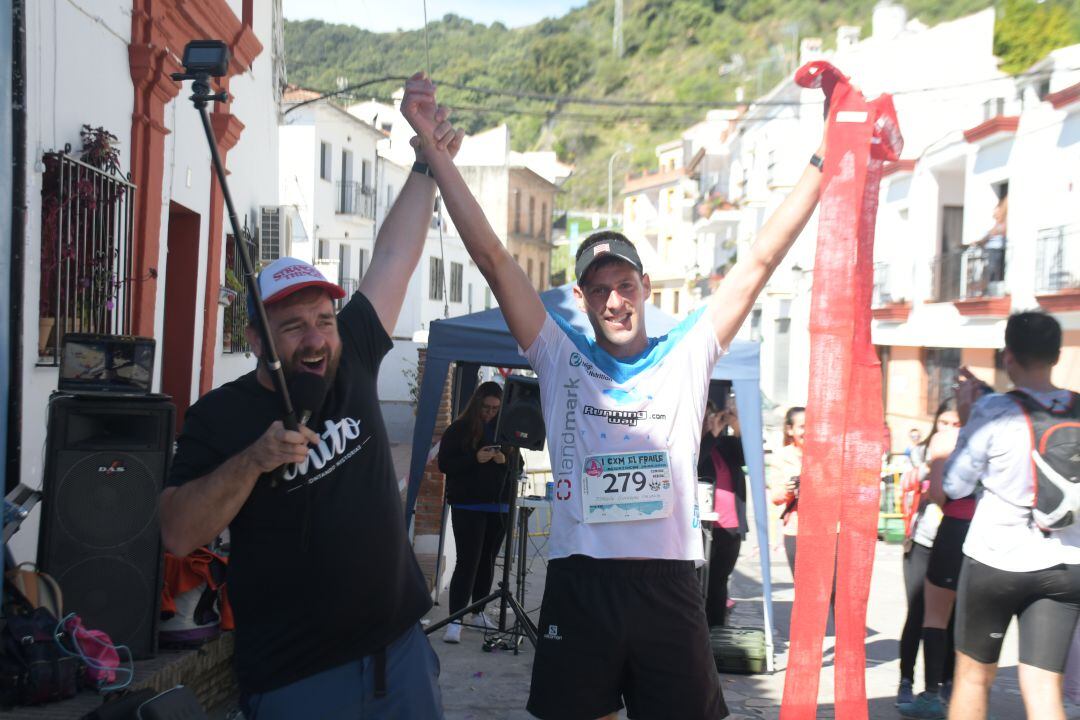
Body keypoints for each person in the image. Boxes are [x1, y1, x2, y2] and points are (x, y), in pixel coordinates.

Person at [403, 75, 828, 720]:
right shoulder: (556, 353)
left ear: (646, 286)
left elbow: (761, 261)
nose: (613, 300)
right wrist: (435, 155)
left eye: (623, 284)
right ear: (580, 298)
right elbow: (492, 256)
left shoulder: (688, 352)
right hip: (582, 585)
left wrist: (827, 156)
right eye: (597, 289)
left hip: (668, 587)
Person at [159, 75, 464, 719]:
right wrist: (254, 460)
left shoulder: (350, 352)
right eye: (292, 326)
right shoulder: (220, 416)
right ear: (253, 337)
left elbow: (392, 258)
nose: (315, 338)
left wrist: (425, 161)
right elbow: (178, 531)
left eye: (322, 319)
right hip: (297, 681)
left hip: (399, 658)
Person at [942, 312, 1080, 720]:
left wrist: (967, 420)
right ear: (1057, 355)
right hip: (1068, 561)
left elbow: (955, 486)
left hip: (997, 559)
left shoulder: (994, 411)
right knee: (1043, 686)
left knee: (972, 678)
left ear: (1008, 357)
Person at [899, 401, 968, 719]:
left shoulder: (973, 452)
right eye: (943, 422)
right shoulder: (926, 453)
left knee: (953, 620)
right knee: (918, 613)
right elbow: (907, 486)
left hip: (959, 543)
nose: (949, 430)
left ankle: (944, 688)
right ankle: (906, 680)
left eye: (956, 424)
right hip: (924, 541)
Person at [437, 381, 520, 643]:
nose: (490, 413)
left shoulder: (506, 430)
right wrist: (475, 458)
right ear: (476, 405)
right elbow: (445, 464)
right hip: (467, 505)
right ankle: (456, 619)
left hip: (499, 506)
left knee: (487, 561)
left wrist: (503, 459)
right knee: (467, 562)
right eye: (486, 407)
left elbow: (518, 467)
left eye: (496, 408)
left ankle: (478, 611)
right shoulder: (459, 429)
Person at [699, 400, 747, 627]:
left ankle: (717, 629)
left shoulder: (725, 445)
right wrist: (710, 435)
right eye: (706, 416)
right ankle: (701, 631)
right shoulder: (693, 444)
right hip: (702, 526)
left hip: (730, 526)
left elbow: (747, 455)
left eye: (712, 415)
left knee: (719, 582)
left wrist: (737, 424)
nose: (710, 420)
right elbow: (694, 463)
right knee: (700, 583)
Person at [770, 406, 806, 574]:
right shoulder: (782, 456)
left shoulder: (826, 456)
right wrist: (789, 489)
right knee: (803, 587)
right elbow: (776, 497)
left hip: (828, 530)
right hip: (796, 529)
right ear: (790, 430)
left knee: (830, 591)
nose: (809, 431)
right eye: (803, 427)